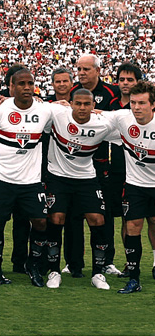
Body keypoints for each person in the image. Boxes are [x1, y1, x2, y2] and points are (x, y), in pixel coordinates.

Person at [0, 69, 53, 287]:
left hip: (31, 180)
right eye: (21, 83)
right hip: (1, 177)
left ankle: (33, 265)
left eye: (30, 83)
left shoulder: (44, 111)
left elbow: (52, 128)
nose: (27, 88)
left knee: (41, 222)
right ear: (10, 87)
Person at [44, 90, 117, 290]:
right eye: (78, 103)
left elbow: (128, 121)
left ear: (93, 106)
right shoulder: (57, 113)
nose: (82, 108)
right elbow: (30, 105)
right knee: (56, 218)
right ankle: (54, 271)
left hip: (86, 178)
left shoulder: (103, 123)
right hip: (58, 177)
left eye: (87, 104)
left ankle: (98, 273)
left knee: (98, 219)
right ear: (71, 103)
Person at [64, 55, 121, 277]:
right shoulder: (74, 90)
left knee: (102, 217)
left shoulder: (111, 92)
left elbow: (119, 117)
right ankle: (73, 262)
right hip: (75, 165)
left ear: (98, 70)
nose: (81, 73)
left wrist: (102, 114)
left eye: (86, 69)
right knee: (72, 217)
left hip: (103, 166)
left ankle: (106, 261)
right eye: (79, 68)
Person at [109, 81, 155, 293]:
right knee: (132, 227)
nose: (136, 107)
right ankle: (134, 278)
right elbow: (94, 113)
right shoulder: (122, 118)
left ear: (152, 105)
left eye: (141, 103)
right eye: (134, 103)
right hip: (135, 184)